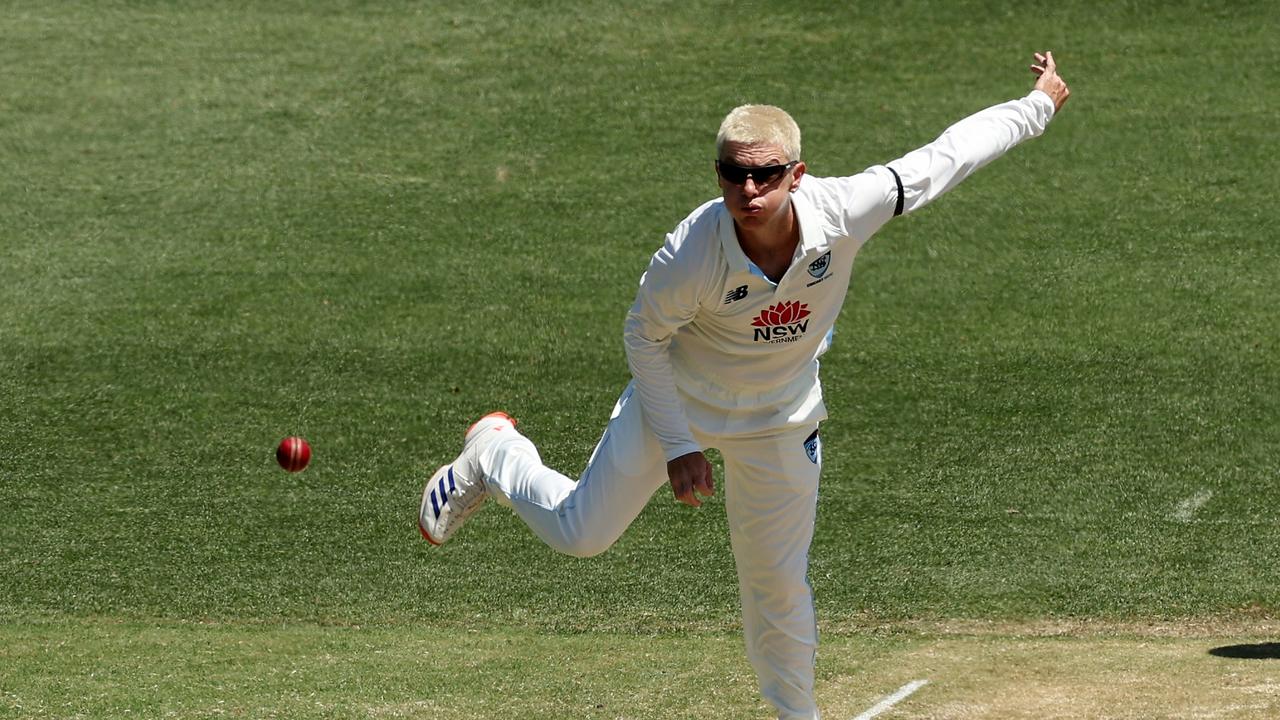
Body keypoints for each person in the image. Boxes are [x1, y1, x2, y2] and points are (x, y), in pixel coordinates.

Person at [420, 52, 1071, 720]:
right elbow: (642, 336)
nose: (749, 191)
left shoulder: (845, 210)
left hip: (781, 420)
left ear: (797, 174)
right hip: (678, 404)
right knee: (580, 533)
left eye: (765, 174)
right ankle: (494, 454)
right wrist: (678, 445)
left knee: (777, 584)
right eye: (735, 174)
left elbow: (946, 157)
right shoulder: (690, 253)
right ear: (719, 175)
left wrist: (1039, 105)